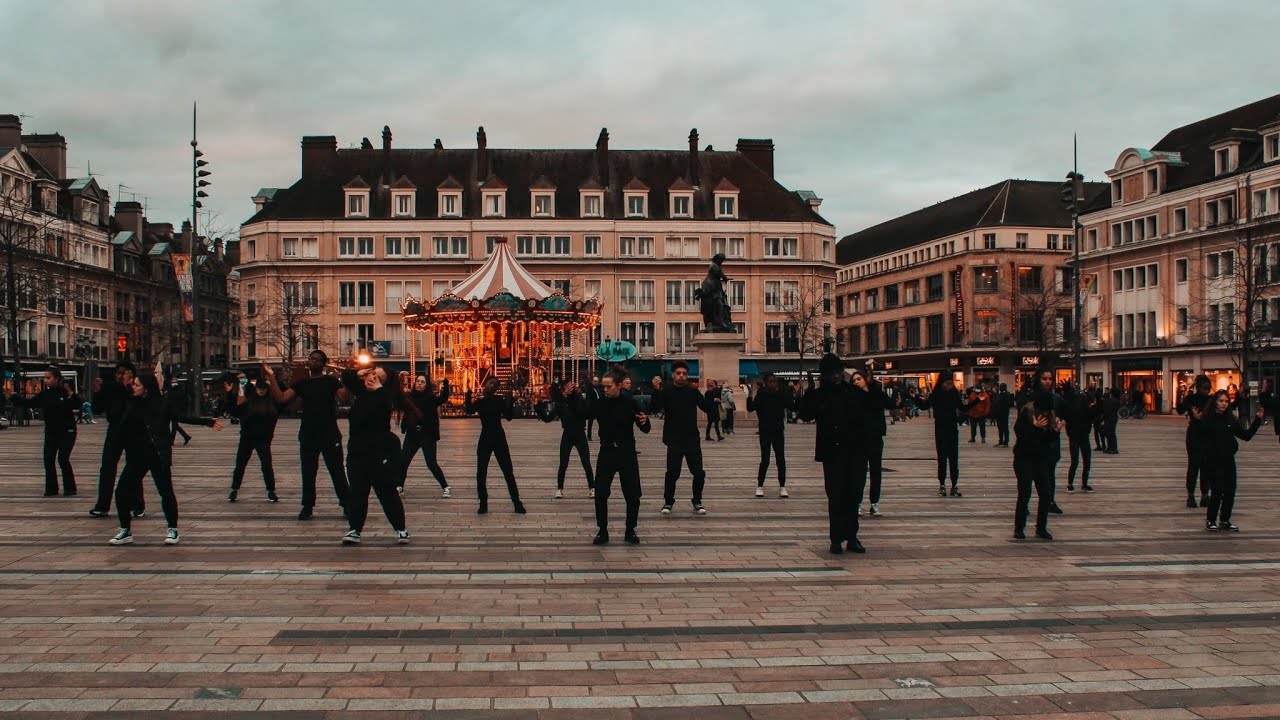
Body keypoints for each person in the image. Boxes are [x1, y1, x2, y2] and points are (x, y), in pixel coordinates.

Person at [108, 374, 223, 545]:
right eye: (133, 384)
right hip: (136, 456)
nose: (133, 387)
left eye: (137, 385)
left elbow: (181, 417)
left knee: (165, 491)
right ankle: (125, 530)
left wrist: (206, 422)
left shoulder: (162, 403)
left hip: (156, 453)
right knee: (121, 491)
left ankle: (173, 529)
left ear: (146, 388)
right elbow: (121, 426)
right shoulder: (132, 403)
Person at [264, 350, 351, 520]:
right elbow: (281, 398)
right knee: (308, 472)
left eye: (317, 359)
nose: (312, 361)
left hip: (330, 433)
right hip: (308, 434)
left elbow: (344, 399)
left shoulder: (331, 381)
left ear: (323, 363)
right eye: (311, 358)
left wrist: (343, 378)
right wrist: (271, 377)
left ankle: (346, 503)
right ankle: (307, 506)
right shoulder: (302, 383)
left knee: (337, 470)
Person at [798, 353, 864, 555]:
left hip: (855, 451)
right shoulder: (819, 395)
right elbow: (805, 415)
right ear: (825, 375)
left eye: (837, 372)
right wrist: (808, 392)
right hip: (832, 453)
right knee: (835, 496)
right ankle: (836, 539)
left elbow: (869, 415)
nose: (835, 376)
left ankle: (852, 537)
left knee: (854, 495)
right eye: (831, 373)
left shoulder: (853, 392)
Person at [339, 364, 411, 545]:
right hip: (357, 451)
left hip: (380, 453)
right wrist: (359, 373)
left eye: (376, 377)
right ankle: (354, 529)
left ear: (383, 383)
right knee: (357, 492)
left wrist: (378, 389)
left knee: (386, 492)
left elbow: (386, 407)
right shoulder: (361, 391)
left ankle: (401, 529)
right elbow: (346, 376)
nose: (371, 379)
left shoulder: (385, 396)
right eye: (371, 375)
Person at [586, 368, 651, 544]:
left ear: (619, 386)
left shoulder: (630, 402)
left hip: (626, 452)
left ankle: (630, 530)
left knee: (632, 494)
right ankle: (602, 531)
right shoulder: (600, 404)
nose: (605, 390)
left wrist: (645, 421)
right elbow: (583, 413)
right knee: (600, 492)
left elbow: (645, 428)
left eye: (608, 387)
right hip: (606, 451)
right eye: (603, 387)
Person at [1195, 391, 1263, 532]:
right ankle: (1211, 520)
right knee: (1217, 491)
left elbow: (1246, 436)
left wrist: (1257, 420)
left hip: (1228, 460)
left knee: (1230, 490)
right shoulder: (1207, 419)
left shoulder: (1230, 419)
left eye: (1226, 401)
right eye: (1221, 401)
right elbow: (1200, 441)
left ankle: (1225, 520)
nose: (1224, 404)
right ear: (1215, 402)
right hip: (1213, 461)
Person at [7, 367, 81, 497]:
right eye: (45, 378)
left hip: (67, 431)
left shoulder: (65, 393)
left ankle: (70, 488)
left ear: (57, 379)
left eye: (48, 378)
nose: (45, 380)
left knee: (63, 458)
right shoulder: (45, 395)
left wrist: (72, 394)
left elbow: (77, 404)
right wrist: (14, 398)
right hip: (51, 431)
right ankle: (51, 489)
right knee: (48, 459)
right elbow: (29, 403)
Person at [649, 360, 709, 515]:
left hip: (691, 439)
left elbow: (705, 407)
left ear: (687, 376)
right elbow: (655, 408)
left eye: (684, 374)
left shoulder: (692, 391)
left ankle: (697, 501)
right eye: (678, 374)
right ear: (673, 375)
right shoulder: (666, 391)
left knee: (698, 472)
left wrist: (711, 395)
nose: (681, 376)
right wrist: (655, 390)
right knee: (672, 473)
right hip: (674, 439)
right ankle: (668, 502)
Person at [90, 361, 144, 518]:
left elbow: (137, 405)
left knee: (133, 468)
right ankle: (102, 505)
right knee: (107, 467)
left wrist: (129, 387)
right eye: (118, 373)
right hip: (115, 430)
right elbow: (97, 409)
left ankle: (137, 505)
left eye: (124, 373)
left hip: (134, 431)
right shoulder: (110, 388)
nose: (120, 376)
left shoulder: (136, 389)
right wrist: (98, 392)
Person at [464, 377, 525, 515]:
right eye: (490, 383)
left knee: (507, 471)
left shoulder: (499, 400)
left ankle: (517, 502)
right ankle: (483, 503)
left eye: (495, 385)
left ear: (497, 388)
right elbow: (469, 410)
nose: (491, 386)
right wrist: (468, 393)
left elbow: (508, 416)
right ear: (486, 384)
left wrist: (510, 402)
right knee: (481, 472)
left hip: (498, 438)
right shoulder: (480, 401)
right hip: (485, 437)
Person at [1012, 386, 1062, 540]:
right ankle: (1019, 528)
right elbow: (1021, 436)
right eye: (1045, 410)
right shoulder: (1027, 413)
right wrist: (1034, 427)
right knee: (1025, 493)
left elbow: (1047, 441)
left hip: (1040, 459)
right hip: (1024, 459)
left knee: (1045, 494)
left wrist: (1055, 432)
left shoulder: (1049, 415)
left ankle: (1041, 528)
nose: (1046, 413)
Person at [226, 375, 281, 503]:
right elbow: (234, 410)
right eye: (259, 388)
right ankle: (234, 489)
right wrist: (229, 394)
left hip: (263, 438)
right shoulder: (249, 402)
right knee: (240, 464)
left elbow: (283, 400)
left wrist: (273, 379)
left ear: (267, 389)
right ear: (255, 388)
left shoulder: (271, 403)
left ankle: (271, 490)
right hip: (248, 437)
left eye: (264, 389)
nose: (261, 391)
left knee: (266, 465)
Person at [851, 369, 895, 516]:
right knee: (859, 473)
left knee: (876, 472)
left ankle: (874, 503)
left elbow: (890, 403)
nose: (856, 382)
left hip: (875, 439)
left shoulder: (876, 394)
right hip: (859, 439)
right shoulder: (851, 396)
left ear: (865, 380)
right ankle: (857, 503)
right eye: (854, 380)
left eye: (858, 379)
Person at [399, 375, 451, 497]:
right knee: (403, 461)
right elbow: (397, 396)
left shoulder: (431, 398)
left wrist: (445, 384)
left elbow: (443, 398)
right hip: (412, 434)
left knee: (431, 463)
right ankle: (399, 486)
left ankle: (445, 486)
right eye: (418, 381)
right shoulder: (409, 397)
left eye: (422, 382)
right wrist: (400, 379)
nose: (419, 384)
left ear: (426, 385)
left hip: (427, 434)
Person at [919, 377, 972, 497]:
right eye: (948, 383)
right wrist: (914, 398)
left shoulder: (954, 394)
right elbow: (924, 406)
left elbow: (963, 408)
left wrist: (977, 401)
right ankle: (942, 484)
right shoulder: (936, 395)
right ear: (942, 383)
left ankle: (954, 485)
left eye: (951, 383)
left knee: (954, 459)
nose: (950, 386)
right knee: (942, 458)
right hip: (941, 429)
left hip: (952, 429)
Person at [542, 379, 594, 499]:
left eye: (573, 386)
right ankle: (560, 488)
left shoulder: (578, 399)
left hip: (580, 434)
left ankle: (592, 487)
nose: (572, 388)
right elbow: (548, 418)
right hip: (568, 434)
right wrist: (539, 408)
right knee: (563, 463)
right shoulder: (561, 403)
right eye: (569, 386)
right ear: (564, 389)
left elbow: (585, 412)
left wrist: (576, 397)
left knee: (586, 462)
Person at [747, 374, 789, 498]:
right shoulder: (762, 395)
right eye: (771, 382)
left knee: (780, 459)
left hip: (778, 431)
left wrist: (790, 393)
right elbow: (750, 408)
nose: (773, 384)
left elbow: (791, 405)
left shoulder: (780, 395)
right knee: (765, 460)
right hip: (765, 431)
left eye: (775, 382)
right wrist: (749, 395)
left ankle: (782, 486)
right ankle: (760, 485)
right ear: (766, 383)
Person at [1176, 375, 1213, 508]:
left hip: (1208, 435)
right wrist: (1183, 395)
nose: (1207, 391)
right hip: (1195, 435)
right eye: (1205, 388)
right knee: (1194, 465)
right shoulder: (1191, 399)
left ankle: (1204, 495)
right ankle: (1191, 495)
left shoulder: (1211, 399)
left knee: (1206, 466)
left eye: (1209, 388)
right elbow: (1180, 410)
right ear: (1198, 387)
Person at [1061, 382, 1098, 493]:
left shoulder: (1072, 407)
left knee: (1076, 461)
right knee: (1083, 460)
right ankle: (1081, 484)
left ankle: (1072, 484)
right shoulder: (1082, 408)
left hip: (1076, 435)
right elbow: (1092, 415)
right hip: (1081, 435)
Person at [1100, 387, 1122, 454]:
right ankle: (1110, 447)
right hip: (1111, 418)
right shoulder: (1116, 400)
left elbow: (1106, 407)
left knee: (1110, 433)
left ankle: (1113, 448)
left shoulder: (1113, 401)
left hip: (1110, 418)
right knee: (1109, 432)